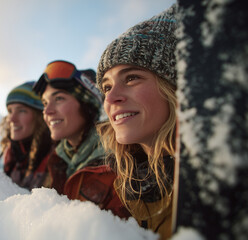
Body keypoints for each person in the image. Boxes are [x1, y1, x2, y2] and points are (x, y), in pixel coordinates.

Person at [96, 5, 178, 240]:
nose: (110, 98)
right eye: (107, 87)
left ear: (171, 87)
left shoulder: (218, 184)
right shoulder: (116, 185)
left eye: (131, 78)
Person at [33, 60, 129, 218]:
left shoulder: (118, 162)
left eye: (59, 99)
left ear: (87, 105)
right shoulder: (58, 159)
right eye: (44, 103)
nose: (47, 111)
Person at [0, 81, 52, 190]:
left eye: (22, 111)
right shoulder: (12, 154)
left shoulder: (54, 158)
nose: (11, 119)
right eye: (10, 111)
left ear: (40, 116)